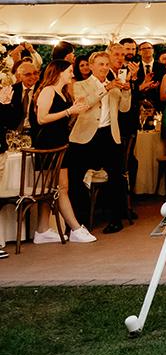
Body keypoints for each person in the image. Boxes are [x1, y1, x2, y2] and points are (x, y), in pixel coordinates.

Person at [31, 60, 95, 243]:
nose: (72, 74)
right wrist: (69, 111)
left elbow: (62, 120)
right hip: (47, 145)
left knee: (50, 189)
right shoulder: (48, 90)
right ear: (58, 72)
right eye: (68, 71)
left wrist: (76, 111)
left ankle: (42, 231)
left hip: (60, 143)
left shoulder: (63, 92)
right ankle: (75, 228)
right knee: (61, 188)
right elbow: (42, 118)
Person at [66, 51, 128, 234]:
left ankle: (116, 219)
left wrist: (127, 90)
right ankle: (80, 222)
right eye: (100, 64)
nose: (104, 67)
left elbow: (124, 108)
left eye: (106, 64)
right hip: (84, 136)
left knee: (116, 177)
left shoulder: (115, 85)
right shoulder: (80, 85)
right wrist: (106, 89)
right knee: (76, 179)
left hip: (109, 135)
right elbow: (85, 105)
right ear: (91, 66)